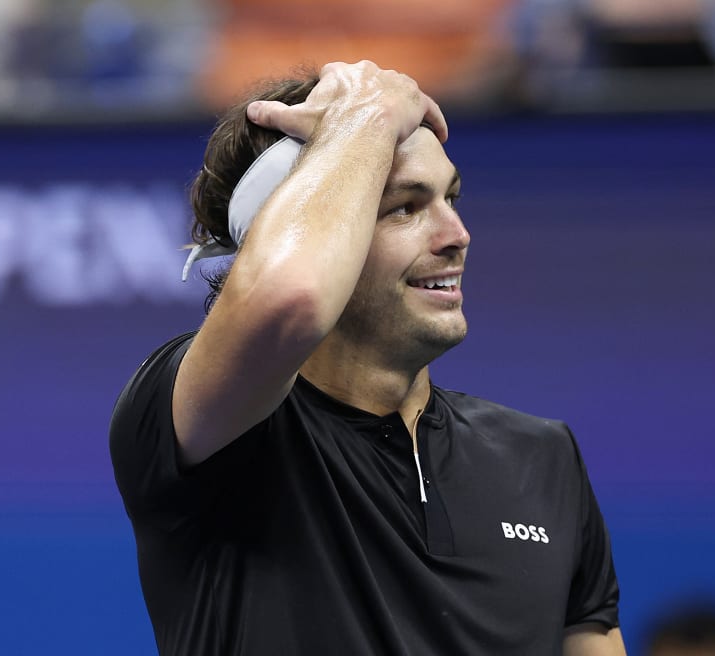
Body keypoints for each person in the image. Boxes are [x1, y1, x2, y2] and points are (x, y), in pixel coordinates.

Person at [109, 60, 624, 655]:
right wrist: (367, 115)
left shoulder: (543, 456)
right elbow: (291, 300)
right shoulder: (205, 428)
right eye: (403, 207)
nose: (456, 233)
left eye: (450, 198)